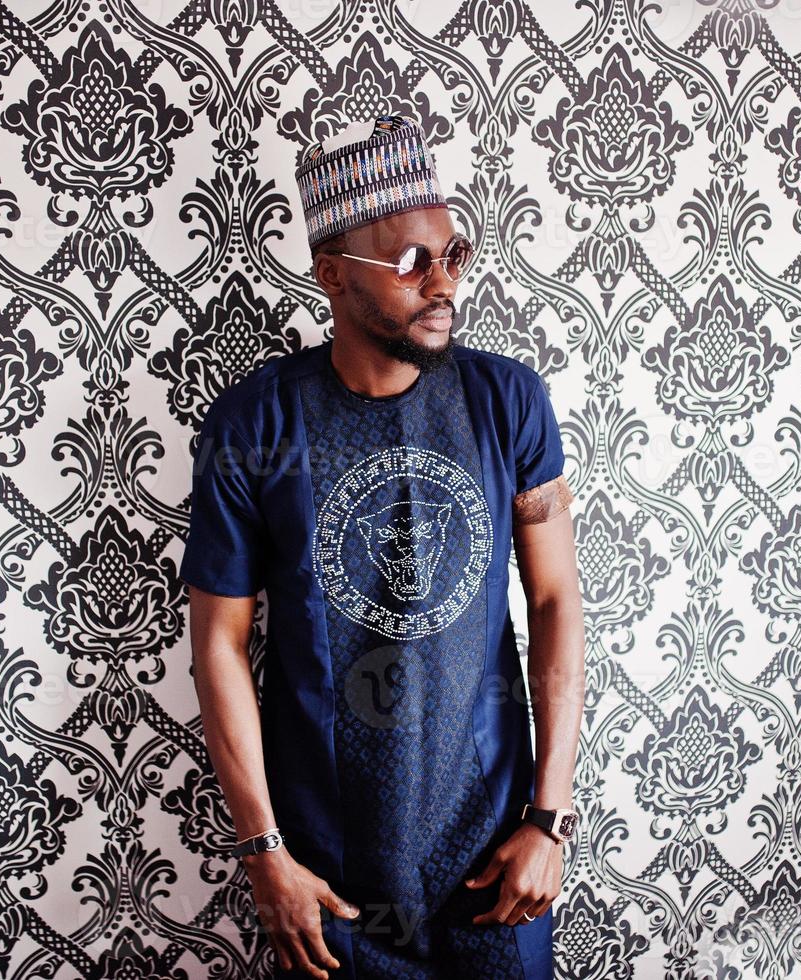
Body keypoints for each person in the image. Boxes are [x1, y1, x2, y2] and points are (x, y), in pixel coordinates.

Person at [181, 112, 584, 980]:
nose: (442, 283)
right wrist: (263, 854)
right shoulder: (255, 422)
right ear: (331, 274)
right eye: (409, 261)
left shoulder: (507, 400)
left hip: (491, 858)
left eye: (453, 254)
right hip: (329, 878)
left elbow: (555, 602)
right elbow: (217, 642)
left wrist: (547, 820)